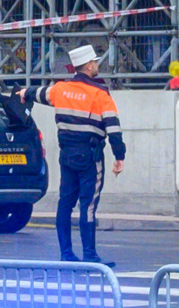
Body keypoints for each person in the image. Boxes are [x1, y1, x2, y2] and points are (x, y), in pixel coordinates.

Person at [32, 43, 123, 265]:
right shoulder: (100, 94)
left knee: (65, 203)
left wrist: (22, 93)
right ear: (90, 65)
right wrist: (119, 156)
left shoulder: (60, 89)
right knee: (88, 205)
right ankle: (90, 255)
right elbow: (113, 128)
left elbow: (37, 94)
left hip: (67, 157)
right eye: (96, 63)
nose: (97, 66)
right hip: (90, 158)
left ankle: (66, 254)